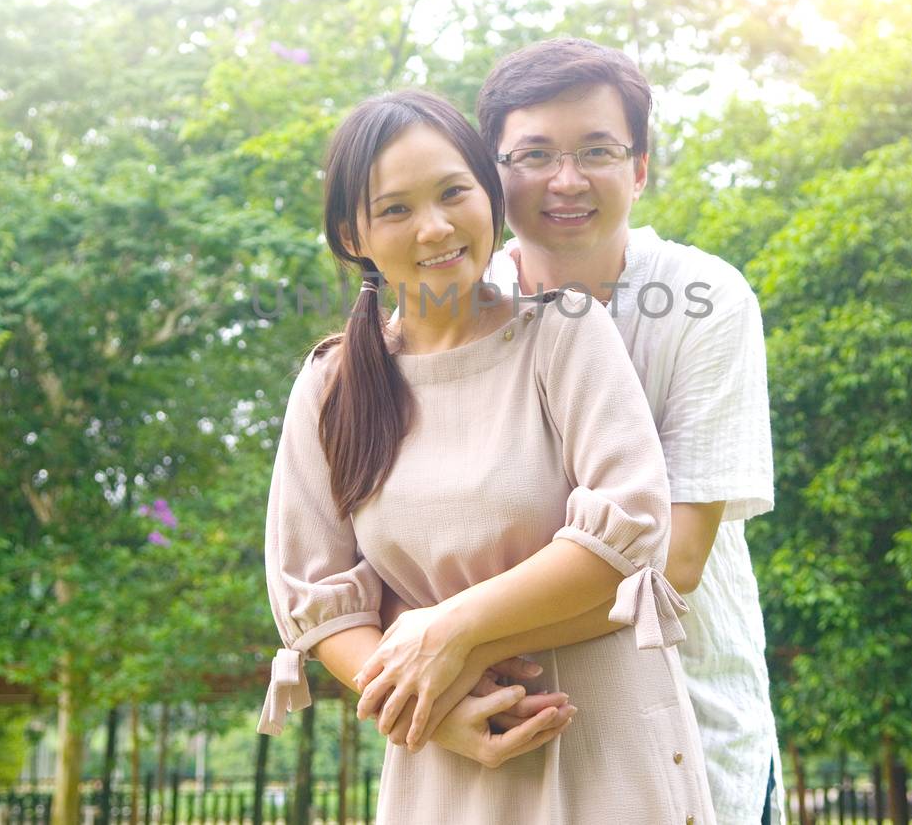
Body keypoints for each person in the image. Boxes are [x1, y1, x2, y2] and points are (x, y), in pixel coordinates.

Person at [259, 89, 715, 824]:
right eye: (396, 209)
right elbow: (316, 597)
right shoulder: (330, 386)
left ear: (488, 195)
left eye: (452, 193)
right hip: (445, 759)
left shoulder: (565, 335)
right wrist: (432, 711)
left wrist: (452, 633)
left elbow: (629, 531)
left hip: (608, 754)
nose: (436, 228)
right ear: (353, 234)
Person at [468, 37, 787, 825]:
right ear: (490, 174)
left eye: (597, 151)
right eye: (533, 154)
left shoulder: (705, 299)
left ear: (639, 168)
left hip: (692, 732)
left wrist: (455, 641)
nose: (566, 180)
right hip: (507, 737)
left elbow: (670, 565)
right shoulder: (460, 312)